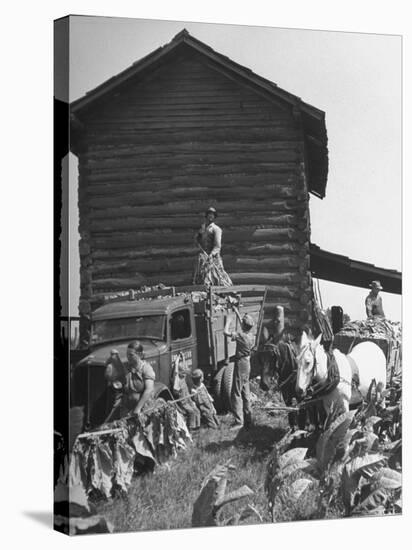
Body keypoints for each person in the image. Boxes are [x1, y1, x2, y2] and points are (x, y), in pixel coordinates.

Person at [104, 340, 155, 422]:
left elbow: (149, 390)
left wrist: (138, 408)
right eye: (127, 354)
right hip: (127, 408)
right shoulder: (126, 367)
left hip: (143, 408)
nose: (128, 357)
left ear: (140, 355)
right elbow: (116, 377)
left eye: (131, 355)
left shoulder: (146, 368)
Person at [224, 309, 255, 428]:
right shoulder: (250, 335)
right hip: (247, 363)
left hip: (241, 363)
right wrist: (237, 311)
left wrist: (228, 321)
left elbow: (225, 332)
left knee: (236, 392)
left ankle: (238, 421)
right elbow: (243, 323)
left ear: (243, 325)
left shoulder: (241, 336)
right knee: (245, 390)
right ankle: (248, 418)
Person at [192, 206, 232, 287]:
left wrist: (211, 255)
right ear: (206, 216)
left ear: (214, 217)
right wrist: (199, 234)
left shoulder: (216, 229)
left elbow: (217, 246)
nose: (210, 216)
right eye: (209, 214)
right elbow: (196, 240)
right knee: (201, 277)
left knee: (217, 278)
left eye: (212, 215)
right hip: (203, 258)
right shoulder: (203, 229)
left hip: (213, 259)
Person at [171, 353, 201, 432]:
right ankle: (191, 428)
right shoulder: (177, 379)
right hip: (183, 401)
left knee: (196, 410)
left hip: (188, 399)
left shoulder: (183, 376)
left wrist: (183, 357)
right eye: (183, 372)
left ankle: (197, 427)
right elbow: (176, 371)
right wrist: (177, 360)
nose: (184, 374)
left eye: (185, 373)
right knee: (191, 411)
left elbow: (184, 368)